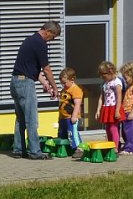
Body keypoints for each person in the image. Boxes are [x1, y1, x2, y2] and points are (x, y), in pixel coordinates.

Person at [10, 21, 61, 159]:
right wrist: (55, 88)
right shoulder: (40, 43)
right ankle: (35, 152)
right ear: (48, 31)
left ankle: (18, 149)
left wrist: (45, 84)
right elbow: (46, 69)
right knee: (31, 119)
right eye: (53, 37)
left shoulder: (29, 40)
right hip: (25, 84)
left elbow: (32, 69)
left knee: (21, 118)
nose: (51, 40)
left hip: (15, 82)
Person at [57, 67, 83, 156]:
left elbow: (77, 104)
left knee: (73, 133)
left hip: (71, 117)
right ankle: (66, 148)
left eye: (64, 83)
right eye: (62, 83)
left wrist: (74, 116)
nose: (63, 85)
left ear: (72, 79)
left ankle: (79, 148)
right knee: (63, 133)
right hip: (63, 117)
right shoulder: (65, 89)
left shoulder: (75, 89)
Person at [95, 61, 122, 146]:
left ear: (111, 72)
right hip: (106, 107)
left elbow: (119, 97)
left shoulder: (116, 82)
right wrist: (98, 110)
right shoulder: (105, 83)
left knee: (113, 128)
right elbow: (101, 97)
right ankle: (110, 145)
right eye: (101, 74)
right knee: (107, 128)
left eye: (104, 74)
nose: (103, 76)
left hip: (114, 107)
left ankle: (115, 147)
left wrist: (117, 111)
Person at [118, 62, 133, 155]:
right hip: (125, 111)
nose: (125, 80)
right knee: (124, 130)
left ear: (132, 75)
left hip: (130, 112)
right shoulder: (129, 86)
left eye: (126, 78)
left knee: (129, 130)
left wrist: (132, 112)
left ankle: (130, 148)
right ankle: (127, 145)